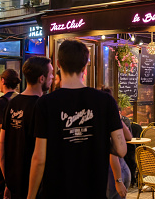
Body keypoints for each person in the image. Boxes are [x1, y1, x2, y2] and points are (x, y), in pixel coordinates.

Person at [28, 39, 127, 199]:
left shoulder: (45, 103)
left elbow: (39, 158)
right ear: (85, 66)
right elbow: (121, 150)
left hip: (56, 192)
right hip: (93, 191)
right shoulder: (106, 101)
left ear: (58, 64)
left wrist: (30, 196)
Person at [0, 57, 53, 199]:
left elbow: (1, 146)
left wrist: (8, 183)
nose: (53, 77)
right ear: (42, 78)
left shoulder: (12, 103)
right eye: (51, 73)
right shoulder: (43, 107)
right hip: (37, 185)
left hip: (14, 182)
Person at [0, 69, 20, 199]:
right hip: (18, 149)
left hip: (4, 150)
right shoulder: (21, 99)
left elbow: (2, 129)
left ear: (2, 81)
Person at [101, 87, 133, 199]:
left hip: (114, 173)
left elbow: (112, 155)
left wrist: (118, 180)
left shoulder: (103, 121)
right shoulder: (111, 118)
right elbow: (129, 137)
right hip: (123, 168)